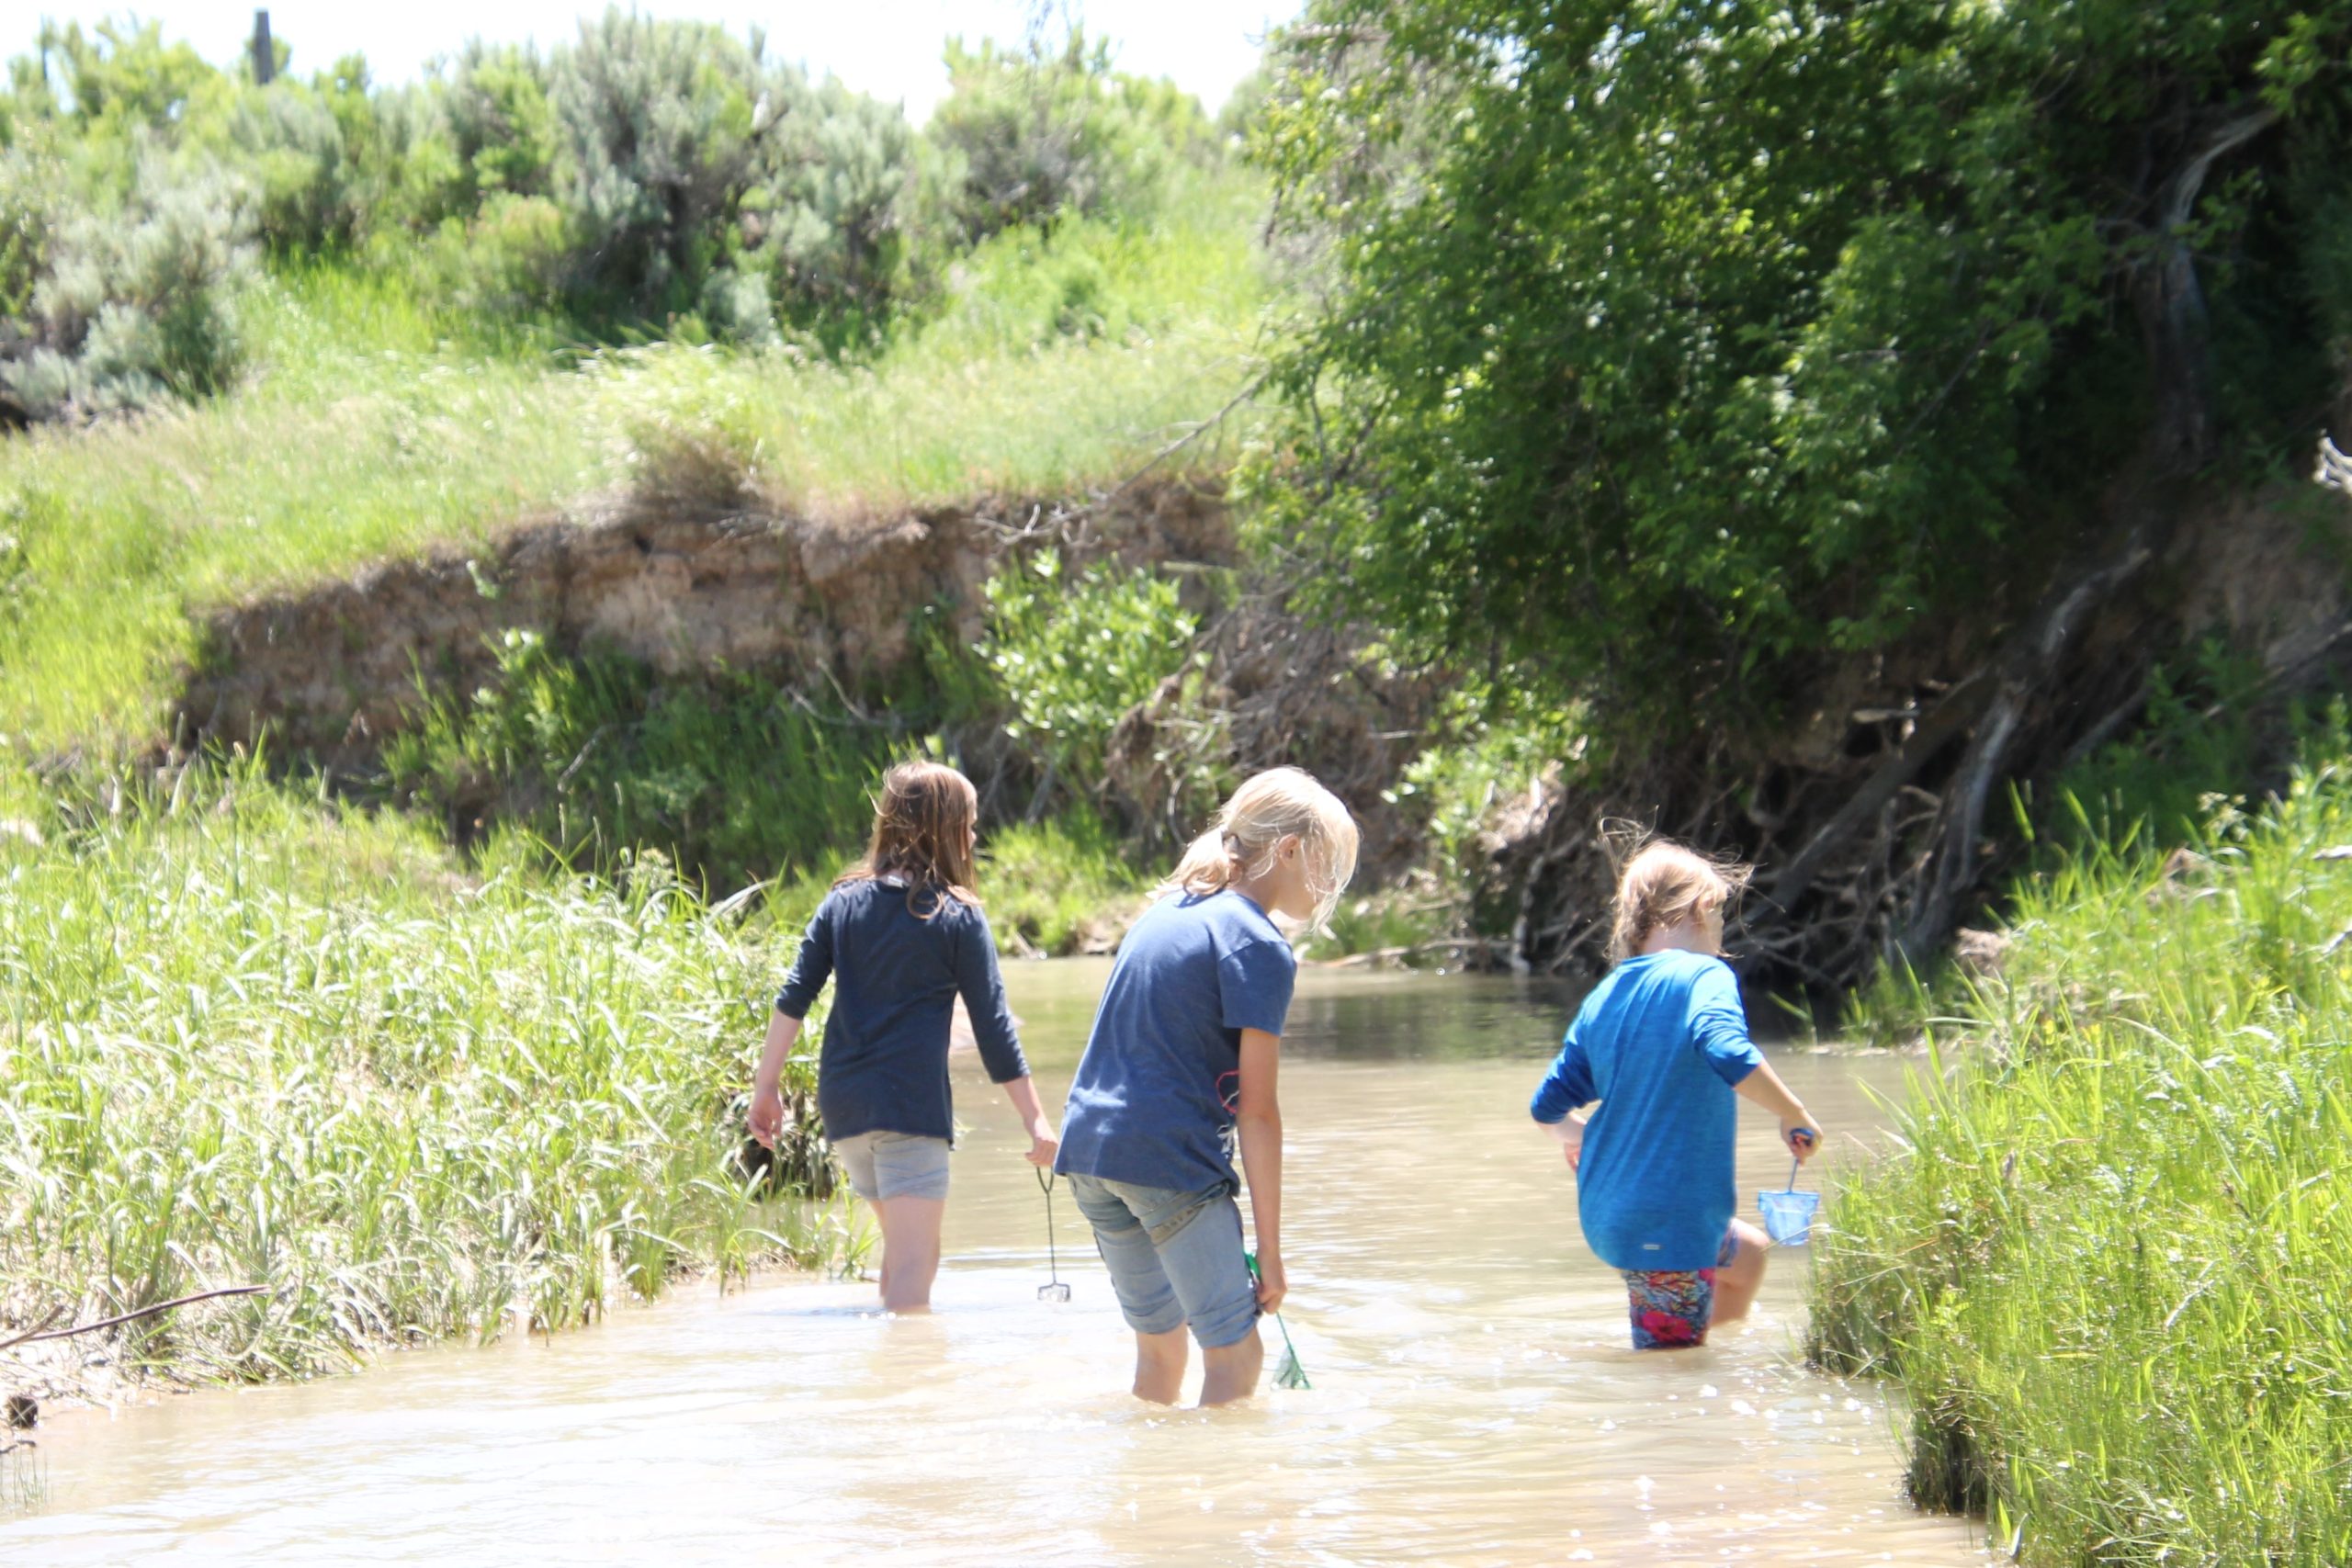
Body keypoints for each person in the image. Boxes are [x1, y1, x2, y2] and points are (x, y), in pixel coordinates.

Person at [1054, 768, 1360, 1405]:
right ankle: (1219, 1500)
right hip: (1165, 1160)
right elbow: (1259, 1113)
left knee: (1162, 1350)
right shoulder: (1257, 944)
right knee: (1236, 1353)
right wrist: (1271, 1253)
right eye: (1328, 864)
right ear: (1290, 849)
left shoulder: (1165, 913)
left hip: (1091, 1153)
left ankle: (1151, 1490)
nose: (1331, 886)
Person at [747, 761, 1057, 1314]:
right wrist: (1035, 1118)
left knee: (905, 1252)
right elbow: (993, 1027)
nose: (975, 835)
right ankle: (907, 1389)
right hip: (909, 1110)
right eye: (971, 823)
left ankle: (887, 1375)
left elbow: (794, 996)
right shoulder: (956, 916)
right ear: (948, 829)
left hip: (845, 1109)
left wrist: (765, 1087)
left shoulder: (841, 902)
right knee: (918, 1264)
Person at [1529, 840, 1822, 1350]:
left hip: (1621, 1210)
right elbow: (1727, 1050)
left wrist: (1581, 1137)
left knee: (1748, 1257)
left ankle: (1703, 1341)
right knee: (1669, 1369)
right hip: (1664, 1224)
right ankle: (1684, 1380)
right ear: (1703, 907)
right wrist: (1791, 1112)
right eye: (1721, 915)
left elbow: (1546, 1106)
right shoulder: (1705, 975)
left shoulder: (1607, 994)